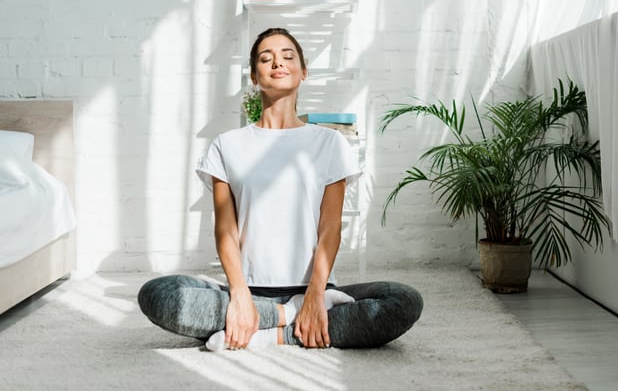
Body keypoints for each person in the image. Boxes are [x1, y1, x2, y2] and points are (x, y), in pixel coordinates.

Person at [138, 28, 423, 350]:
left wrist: (315, 294)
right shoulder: (227, 145)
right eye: (265, 58)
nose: (278, 62)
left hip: (315, 287)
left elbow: (330, 228)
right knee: (158, 294)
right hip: (249, 288)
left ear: (303, 72)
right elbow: (226, 231)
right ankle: (291, 315)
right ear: (254, 76)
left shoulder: (330, 143)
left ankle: (270, 332)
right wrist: (240, 295)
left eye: (288, 56)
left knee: (403, 300)